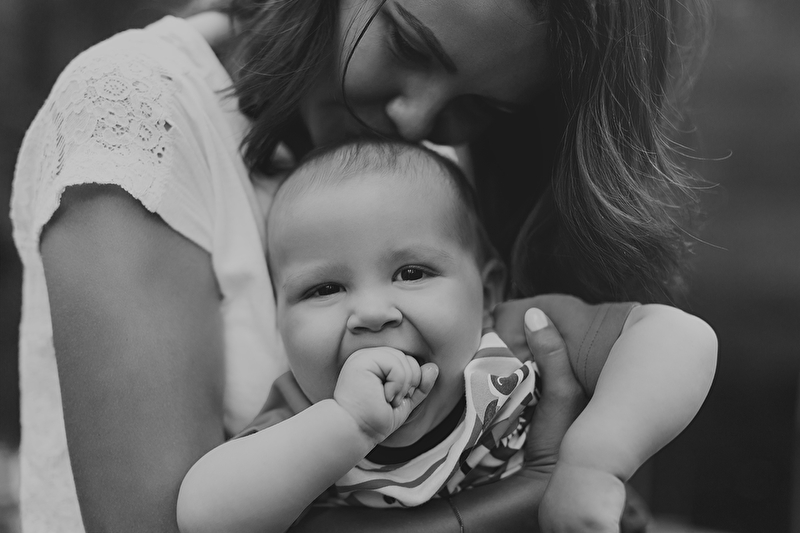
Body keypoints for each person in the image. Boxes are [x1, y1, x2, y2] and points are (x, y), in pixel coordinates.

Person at [10, 1, 711, 532]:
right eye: (406, 42)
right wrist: (536, 488)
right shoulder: (137, 112)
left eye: (479, 104)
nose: (415, 122)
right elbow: (176, 522)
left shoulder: (492, 301)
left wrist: (595, 458)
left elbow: (668, 342)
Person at [176, 141, 717, 533]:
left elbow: (678, 336)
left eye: (411, 273)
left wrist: (594, 460)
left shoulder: (519, 340)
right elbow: (203, 516)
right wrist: (348, 425)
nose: (371, 313)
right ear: (277, 319)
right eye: (324, 288)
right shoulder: (302, 419)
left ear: (487, 291)